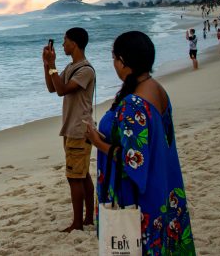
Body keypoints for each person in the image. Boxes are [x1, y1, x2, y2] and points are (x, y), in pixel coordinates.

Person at [84, 31, 196, 255]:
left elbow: (133, 161)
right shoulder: (155, 88)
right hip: (163, 184)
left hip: (141, 197)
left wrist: (98, 142)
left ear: (124, 62)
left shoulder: (133, 103)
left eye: (114, 58)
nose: (114, 64)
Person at [42, 27, 96, 233]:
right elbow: (52, 87)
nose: (63, 45)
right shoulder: (72, 67)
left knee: (75, 177)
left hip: (78, 129)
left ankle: (78, 223)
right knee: (82, 175)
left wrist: (53, 65)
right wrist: (47, 65)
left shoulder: (85, 70)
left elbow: (62, 90)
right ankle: (88, 218)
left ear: (74, 43)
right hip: (73, 128)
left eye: (65, 41)